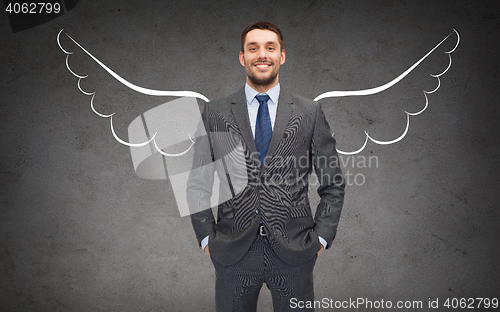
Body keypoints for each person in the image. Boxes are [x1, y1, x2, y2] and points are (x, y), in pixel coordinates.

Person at [187, 21, 345, 311]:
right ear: (242, 57)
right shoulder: (216, 112)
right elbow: (198, 181)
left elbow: (333, 183)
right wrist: (207, 238)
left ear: (281, 56)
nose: (262, 54)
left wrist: (321, 237)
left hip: (294, 252)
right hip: (233, 252)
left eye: (270, 48)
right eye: (253, 48)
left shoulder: (309, 112)